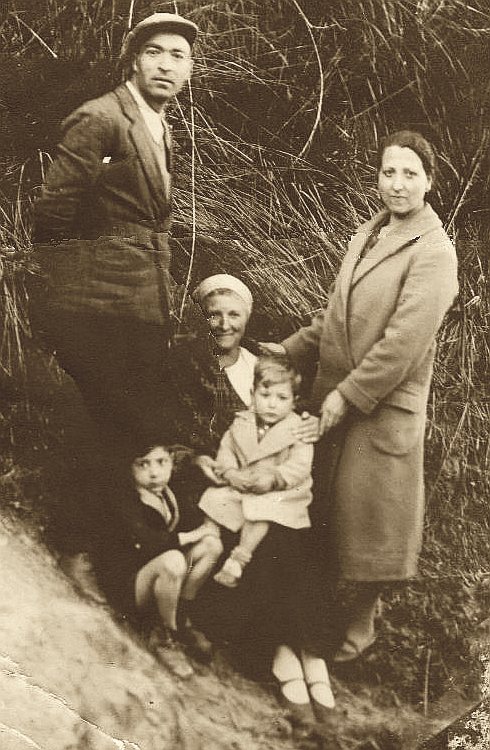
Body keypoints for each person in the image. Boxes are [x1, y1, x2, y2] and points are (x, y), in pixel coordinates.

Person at [265, 130, 459, 663]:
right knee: (328, 513)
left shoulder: (436, 253)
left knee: (372, 523)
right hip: (340, 396)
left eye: (410, 174)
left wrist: (348, 395)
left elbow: (402, 343)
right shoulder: (369, 233)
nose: (397, 184)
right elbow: (334, 317)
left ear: (429, 181)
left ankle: (360, 628)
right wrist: (284, 352)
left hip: (380, 407)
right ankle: (313, 619)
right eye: (388, 172)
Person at [170, 274, 335, 722]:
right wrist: (197, 462)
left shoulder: (264, 360)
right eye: (214, 315)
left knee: (297, 540)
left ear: (247, 319)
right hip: (219, 480)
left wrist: (309, 427)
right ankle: (282, 657)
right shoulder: (188, 364)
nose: (224, 324)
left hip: (273, 484)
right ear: (201, 319)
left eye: (233, 315)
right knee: (267, 543)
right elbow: (172, 435)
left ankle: (312, 656)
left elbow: (297, 405)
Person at [28, 12, 198, 449]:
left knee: (130, 434)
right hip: (96, 307)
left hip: (140, 303)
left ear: (189, 68)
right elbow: (54, 209)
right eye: (154, 52)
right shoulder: (101, 118)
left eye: (178, 55)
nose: (165, 65)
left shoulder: (159, 126)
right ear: (134, 61)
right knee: (110, 431)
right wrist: (71, 280)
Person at [96, 441, 223, 678]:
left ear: (171, 463)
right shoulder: (127, 497)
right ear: (130, 468)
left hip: (162, 578)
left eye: (161, 463)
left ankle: (179, 614)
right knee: (174, 560)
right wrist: (193, 534)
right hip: (130, 584)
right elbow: (148, 541)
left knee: (211, 545)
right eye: (143, 465)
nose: (154, 473)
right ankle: (164, 633)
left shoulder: (168, 490)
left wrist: (209, 526)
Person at [199, 354, 314, 589]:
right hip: (243, 483)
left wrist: (275, 478)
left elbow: (300, 465)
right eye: (265, 395)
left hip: (280, 492)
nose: (272, 404)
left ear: (294, 401)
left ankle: (239, 558)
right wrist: (230, 472)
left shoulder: (299, 429)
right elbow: (227, 448)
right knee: (215, 497)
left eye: (282, 398)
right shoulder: (242, 421)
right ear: (252, 395)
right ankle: (208, 534)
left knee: (264, 511)